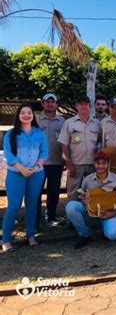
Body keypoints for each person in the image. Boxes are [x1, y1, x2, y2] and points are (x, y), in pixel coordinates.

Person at [2, 104, 48, 252]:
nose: (26, 115)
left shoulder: (39, 133)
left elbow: (44, 153)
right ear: (18, 115)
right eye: (23, 113)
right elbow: (9, 155)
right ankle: (6, 240)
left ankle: (30, 236)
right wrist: (21, 169)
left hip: (36, 174)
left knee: (32, 205)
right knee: (14, 206)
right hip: (16, 174)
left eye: (29, 112)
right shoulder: (11, 134)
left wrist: (35, 167)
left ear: (33, 115)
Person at [66, 151, 116, 249]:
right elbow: (82, 195)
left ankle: (105, 229)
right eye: (98, 163)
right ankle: (85, 234)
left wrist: (114, 213)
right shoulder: (88, 179)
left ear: (108, 164)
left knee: (113, 235)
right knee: (71, 207)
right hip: (91, 212)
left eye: (103, 163)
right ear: (94, 164)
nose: (100, 166)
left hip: (109, 214)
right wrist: (83, 199)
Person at [58, 95, 100, 202]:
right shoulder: (69, 123)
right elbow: (64, 144)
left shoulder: (97, 123)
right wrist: (69, 164)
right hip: (76, 164)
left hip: (93, 164)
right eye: (81, 104)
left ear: (90, 106)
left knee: (93, 191)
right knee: (73, 192)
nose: (83, 107)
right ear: (77, 106)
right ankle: (73, 216)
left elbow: (100, 142)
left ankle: (91, 216)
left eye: (86, 104)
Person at [37, 93, 65, 227]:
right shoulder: (36, 120)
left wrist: (66, 159)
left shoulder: (62, 121)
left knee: (53, 192)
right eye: (47, 101)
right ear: (42, 103)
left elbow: (66, 142)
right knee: (36, 192)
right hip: (38, 164)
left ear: (56, 104)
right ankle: (35, 218)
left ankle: (51, 217)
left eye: (52, 102)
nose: (49, 104)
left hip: (56, 162)